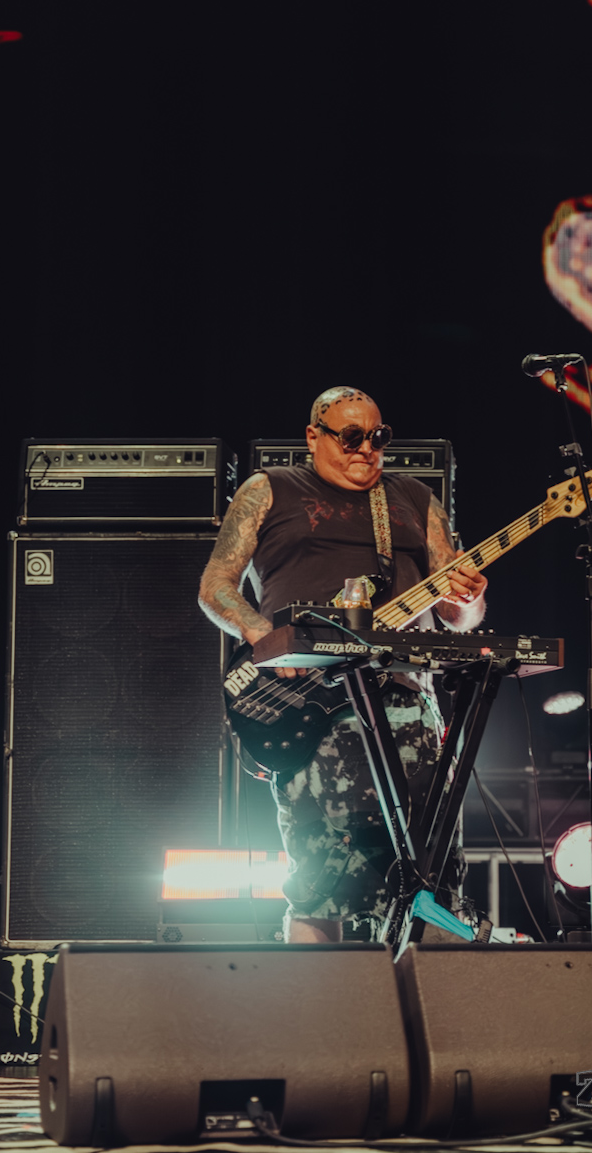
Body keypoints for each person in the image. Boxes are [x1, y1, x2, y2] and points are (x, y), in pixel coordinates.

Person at [199, 386, 487, 942]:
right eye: (350, 437)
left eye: (377, 437)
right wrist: (263, 635)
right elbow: (216, 585)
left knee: (433, 875)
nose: (366, 449)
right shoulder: (268, 489)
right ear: (314, 436)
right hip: (313, 703)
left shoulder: (416, 499)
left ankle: (430, 996)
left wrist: (471, 596)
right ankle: (320, 1000)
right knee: (320, 881)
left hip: (406, 701)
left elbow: (458, 617)